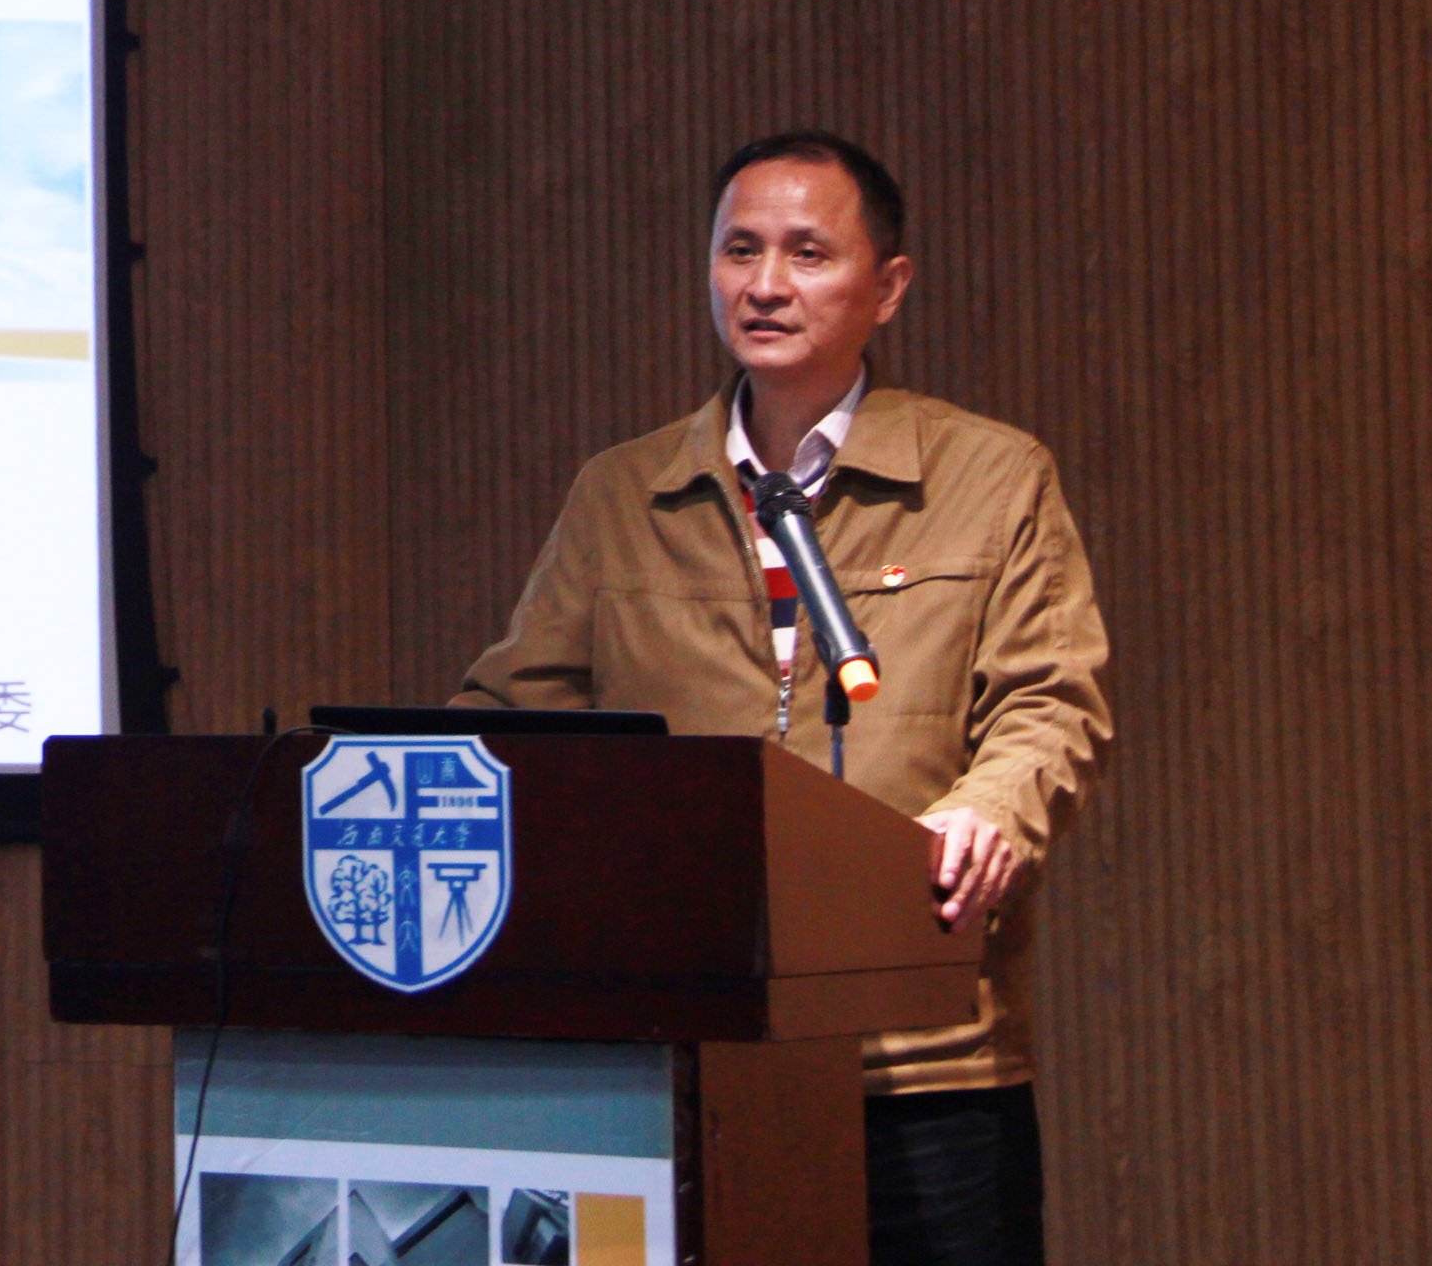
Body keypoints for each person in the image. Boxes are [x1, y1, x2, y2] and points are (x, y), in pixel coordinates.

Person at [456, 132, 1109, 1266]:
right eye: (739, 250)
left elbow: (1049, 702)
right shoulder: (624, 493)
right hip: (688, 1049)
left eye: (808, 253)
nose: (765, 284)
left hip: (923, 1058)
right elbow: (514, 719)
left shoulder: (991, 477)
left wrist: (988, 813)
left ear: (887, 286)